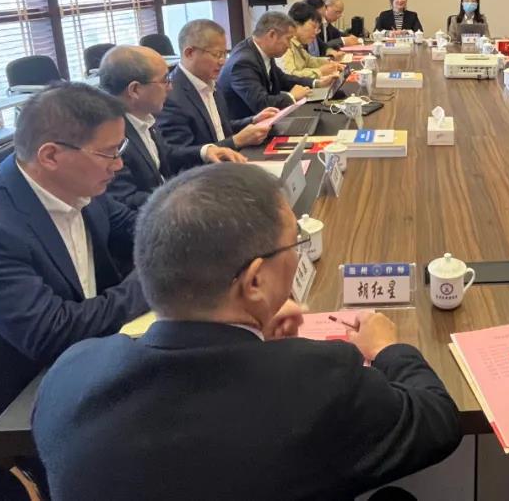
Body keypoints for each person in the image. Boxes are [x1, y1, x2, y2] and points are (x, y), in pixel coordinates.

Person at [33, 164, 462, 501]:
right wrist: (388, 348)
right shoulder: (320, 381)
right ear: (254, 281)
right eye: (294, 243)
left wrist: (251, 335)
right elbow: (436, 422)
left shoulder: (70, 374)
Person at [0, 83, 148, 428]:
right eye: (108, 153)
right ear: (51, 156)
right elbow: (54, 334)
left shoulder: (77, 185)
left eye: (120, 149)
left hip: (79, 360)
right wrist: (154, 279)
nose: (118, 165)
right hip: (3, 405)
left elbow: (140, 228)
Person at [100, 45, 245, 211]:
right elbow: (126, 199)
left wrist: (205, 151)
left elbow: (166, 154)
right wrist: (188, 198)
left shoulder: (144, 116)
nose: (170, 87)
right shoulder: (109, 136)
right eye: (165, 80)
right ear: (135, 90)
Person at [157, 19, 279, 156]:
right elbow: (177, 155)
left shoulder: (212, 83)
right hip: (206, 168)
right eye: (216, 54)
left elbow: (219, 128)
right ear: (189, 53)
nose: (222, 61)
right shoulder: (170, 96)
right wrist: (236, 141)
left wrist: (253, 120)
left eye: (224, 54)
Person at [218, 11, 325, 121]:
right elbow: (261, 104)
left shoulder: (262, 50)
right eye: (288, 39)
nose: (289, 46)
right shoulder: (243, 63)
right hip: (247, 126)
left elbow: (282, 79)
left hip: (266, 121)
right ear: (272, 35)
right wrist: (291, 96)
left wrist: (316, 83)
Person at [280, 1, 346, 81]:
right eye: (313, 27)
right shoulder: (285, 45)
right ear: (296, 24)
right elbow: (290, 75)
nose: (316, 32)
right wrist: (320, 71)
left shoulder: (298, 43)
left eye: (317, 28)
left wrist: (330, 62)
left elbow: (309, 60)